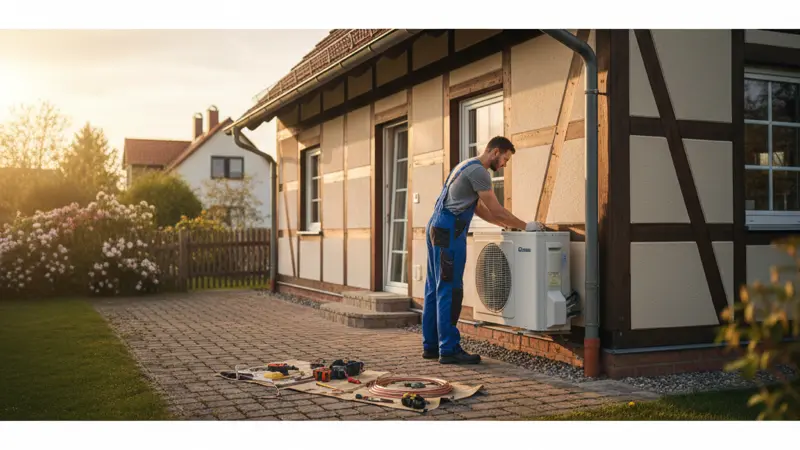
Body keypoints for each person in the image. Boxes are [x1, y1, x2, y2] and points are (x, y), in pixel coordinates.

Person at [422, 136, 542, 364]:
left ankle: (431, 345)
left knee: (433, 287)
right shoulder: (480, 172)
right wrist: (527, 226)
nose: (504, 164)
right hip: (449, 231)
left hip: (437, 227)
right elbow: (496, 209)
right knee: (450, 289)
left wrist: (504, 225)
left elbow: (477, 208)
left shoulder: (464, 165)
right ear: (495, 152)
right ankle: (448, 349)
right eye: (505, 159)